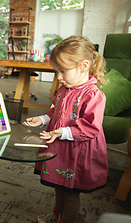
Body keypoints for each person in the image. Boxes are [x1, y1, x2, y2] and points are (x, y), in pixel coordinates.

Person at [23, 35, 108, 223]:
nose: (59, 77)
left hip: (78, 152)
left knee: (70, 192)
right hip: (60, 148)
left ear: (84, 66)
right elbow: (55, 111)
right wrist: (42, 119)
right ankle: (56, 216)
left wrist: (63, 132)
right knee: (58, 186)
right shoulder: (64, 88)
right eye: (56, 72)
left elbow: (91, 127)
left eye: (62, 71)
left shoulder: (94, 95)